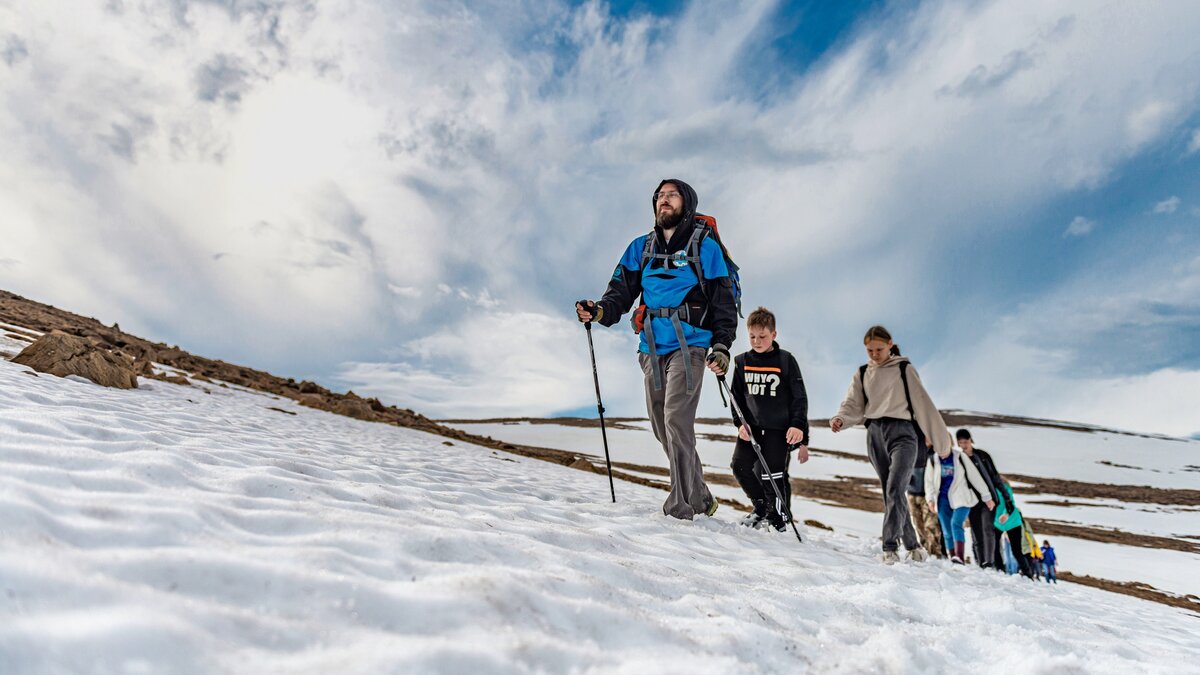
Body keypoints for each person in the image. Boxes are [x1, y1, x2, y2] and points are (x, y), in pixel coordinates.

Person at [576, 179, 738, 520]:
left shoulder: (705, 247)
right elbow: (620, 292)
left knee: (677, 420)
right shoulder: (640, 247)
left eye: (672, 195)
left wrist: (721, 345)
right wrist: (600, 310)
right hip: (650, 347)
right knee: (662, 427)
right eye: (660, 196)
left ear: (687, 203)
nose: (664, 200)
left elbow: (723, 301)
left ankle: (679, 509)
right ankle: (702, 497)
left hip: (690, 346)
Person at [831, 325, 948, 564]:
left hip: (903, 435)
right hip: (875, 434)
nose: (874, 354)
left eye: (879, 349)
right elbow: (853, 403)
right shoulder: (863, 373)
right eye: (869, 350)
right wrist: (841, 419)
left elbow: (923, 404)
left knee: (896, 488)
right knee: (890, 492)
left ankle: (889, 547)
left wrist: (941, 442)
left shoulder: (905, 369)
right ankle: (913, 545)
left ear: (890, 344)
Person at [728, 307, 810, 531]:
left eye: (762, 336)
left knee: (772, 476)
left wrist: (797, 425)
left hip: (778, 430)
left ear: (774, 335)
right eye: (752, 336)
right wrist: (739, 423)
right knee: (740, 467)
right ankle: (761, 508)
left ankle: (778, 520)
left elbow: (799, 397)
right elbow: (736, 397)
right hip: (751, 429)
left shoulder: (785, 360)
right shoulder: (741, 362)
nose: (756, 341)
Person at [924, 444, 995, 563]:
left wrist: (986, 496)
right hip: (942, 499)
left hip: (962, 497)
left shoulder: (960, 457)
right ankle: (953, 557)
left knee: (955, 523)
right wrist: (930, 499)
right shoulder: (933, 460)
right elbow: (929, 482)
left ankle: (959, 556)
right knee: (947, 531)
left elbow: (975, 476)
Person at [955, 429, 1003, 569]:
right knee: (976, 532)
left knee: (988, 529)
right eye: (961, 442)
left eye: (966, 441)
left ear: (971, 440)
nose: (964, 445)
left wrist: (1004, 498)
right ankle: (981, 562)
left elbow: (994, 477)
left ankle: (989, 562)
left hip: (988, 499)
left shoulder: (982, 456)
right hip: (971, 500)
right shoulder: (959, 460)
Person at [907, 446, 945, 557]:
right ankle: (924, 552)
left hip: (928, 496)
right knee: (918, 525)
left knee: (931, 526)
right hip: (912, 493)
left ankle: (935, 554)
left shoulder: (935, 454)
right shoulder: (912, 449)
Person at [992, 480, 1034, 578]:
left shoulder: (1005, 488)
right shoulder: (988, 488)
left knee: (1016, 551)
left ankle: (1028, 574)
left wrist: (1006, 513)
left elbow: (1010, 502)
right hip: (997, 522)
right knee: (994, 546)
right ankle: (999, 569)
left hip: (1012, 521)